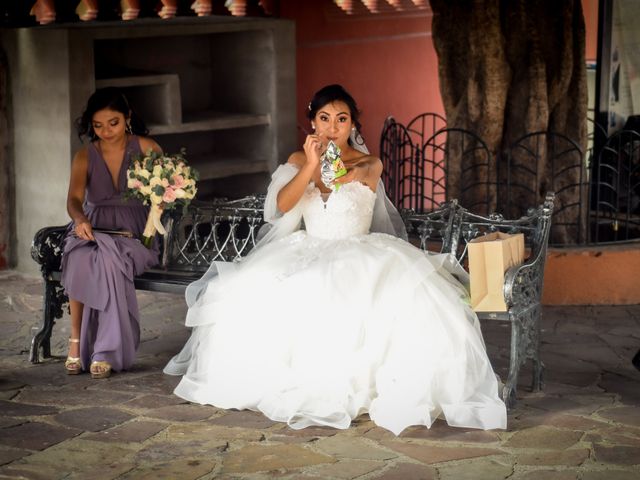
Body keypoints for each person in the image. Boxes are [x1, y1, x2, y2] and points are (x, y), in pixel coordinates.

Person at [164, 84, 507, 434]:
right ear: (312, 123)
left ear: (353, 126)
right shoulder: (299, 161)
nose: (332, 126)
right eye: (324, 118)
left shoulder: (369, 164)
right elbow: (280, 207)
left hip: (361, 250)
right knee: (282, 290)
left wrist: (338, 170)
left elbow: (349, 176)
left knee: (381, 299)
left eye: (341, 119)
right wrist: (311, 163)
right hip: (307, 247)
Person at [61, 87, 162, 379]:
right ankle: (76, 341)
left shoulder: (147, 148)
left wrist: (161, 205)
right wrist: (79, 219)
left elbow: (163, 193)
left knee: (107, 259)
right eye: (98, 125)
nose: (106, 131)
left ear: (127, 118)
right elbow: (73, 200)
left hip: (135, 232)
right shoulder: (84, 156)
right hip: (94, 226)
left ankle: (106, 349)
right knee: (79, 256)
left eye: (113, 123)